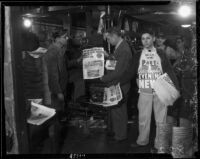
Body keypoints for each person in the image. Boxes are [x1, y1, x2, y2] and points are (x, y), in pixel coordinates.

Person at [130, 30, 179, 148]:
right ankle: (142, 140)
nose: (145, 41)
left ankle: (160, 144)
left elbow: (169, 71)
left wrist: (176, 88)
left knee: (161, 119)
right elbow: (130, 71)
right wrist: (118, 81)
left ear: (153, 39)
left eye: (148, 38)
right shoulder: (137, 54)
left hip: (160, 90)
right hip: (144, 91)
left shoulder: (161, 53)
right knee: (143, 118)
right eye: (143, 38)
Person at [100, 27, 133, 142]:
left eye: (109, 39)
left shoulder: (123, 49)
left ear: (114, 36)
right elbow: (116, 63)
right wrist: (108, 55)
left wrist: (103, 78)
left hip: (120, 84)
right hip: (118, 83)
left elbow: (118, 71)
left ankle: (120, 135)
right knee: (116, 110)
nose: (108, 41)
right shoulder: (120, 46)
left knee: (119, 111)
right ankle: (118, 133)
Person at [167, 36, 196, 127]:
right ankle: (174, 140)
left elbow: (190, 74)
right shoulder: (177, 56)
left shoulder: (189, 57)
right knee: (170, 119)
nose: (177, 44)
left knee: (184, 121)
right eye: (176, 42)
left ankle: (183, 140)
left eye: (179, 42)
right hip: (175, 93)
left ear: (185, 43)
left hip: (186, 94)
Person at [45, 31, 68, 120]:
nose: (67, 39)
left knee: (58, 114)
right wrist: (58, 92)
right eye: (64, 37)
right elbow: (52, 73)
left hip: (61, 86)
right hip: (55, 90)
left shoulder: (60, 50)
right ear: (57, 39)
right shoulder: (52, 52)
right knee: (55, 116)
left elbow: (62, 67)